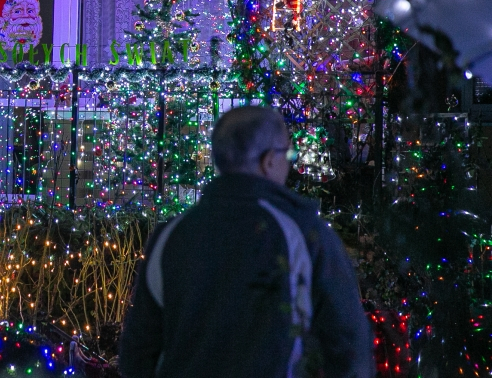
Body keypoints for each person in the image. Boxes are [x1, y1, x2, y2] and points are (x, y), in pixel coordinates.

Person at [118, 105, 373, 377]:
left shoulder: (171, 235)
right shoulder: (303, 232)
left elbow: (139, 350)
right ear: (268, 160)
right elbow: (349, 346)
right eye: (288, 154)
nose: (289, 163)